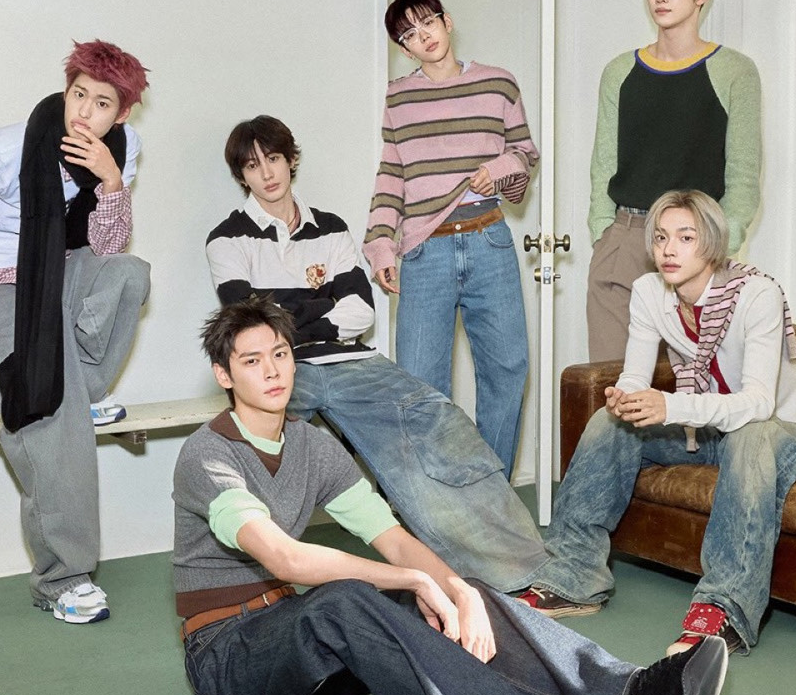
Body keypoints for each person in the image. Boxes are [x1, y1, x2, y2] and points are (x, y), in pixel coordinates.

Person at [172, 295, 729, 695]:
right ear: (224, 374)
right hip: (228, 659)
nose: (272, 371)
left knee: (465, 591)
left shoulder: (312, 446)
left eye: (280, 354)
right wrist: (414, 581)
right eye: (251, 361)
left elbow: (392, 538)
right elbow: (287, 560)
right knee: (344, 599)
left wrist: (458, 591)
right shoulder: (208, 455)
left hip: (299, 643)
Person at [206, 115, 548, 599]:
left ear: (291, 160)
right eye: (252, 165)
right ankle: (252, 579)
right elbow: (254, 327)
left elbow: (361, 311)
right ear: (241, 175)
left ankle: (512, 570)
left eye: (274, 158)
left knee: (435, 418)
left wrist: (289, 316)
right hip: (279, 367)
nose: (266, 173)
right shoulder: (226, 238)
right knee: (260, 439)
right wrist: (319, 312)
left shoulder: (331, 228)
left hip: (350, 362)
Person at [0, 39, 151, 624]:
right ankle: (60, 578)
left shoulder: (123, 150)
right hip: (0, 282)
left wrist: (111, 183)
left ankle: (84, 391)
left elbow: (105, 248)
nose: (84, 112)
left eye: (101, 104)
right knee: (47, 421)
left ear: (122, 114)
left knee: (129, 274)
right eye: (78, 94)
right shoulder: (8, 147)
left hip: (62, 271)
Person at [529, 190, 796, 654]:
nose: (669, 249)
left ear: (712, 242)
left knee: (750, 436)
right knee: (608, 424)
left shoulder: (757, 295)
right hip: (708, 431)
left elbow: (758, 404)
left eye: (686, 238)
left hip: (781, 431)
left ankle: (725, 608)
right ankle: (573, 577)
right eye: (661, 237)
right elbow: (635, 374)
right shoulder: (650, 292)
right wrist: (625, 398)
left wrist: (670, 406)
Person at [363, 0, 538, 475]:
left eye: (429, 23)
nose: (424, 37)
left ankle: (492, 493)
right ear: (404, 49)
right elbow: (391, 176)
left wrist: (499, 168)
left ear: (447, 21)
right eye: (410, 35)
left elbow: (524, 154)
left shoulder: (498, 83)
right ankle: (438, 501)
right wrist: (381, 246)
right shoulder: (399, 97)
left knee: (507, 370)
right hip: (425, 250)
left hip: (489, 240)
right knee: (419, 385)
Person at [587, 0, 762, 362]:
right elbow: (603, 165)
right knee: (612, 383)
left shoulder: (735, 71)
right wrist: (603, 235)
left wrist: (718, 247)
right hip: (627, 240)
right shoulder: (619, 71)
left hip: (698, 244)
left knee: (696, 385)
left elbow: (743, 174)